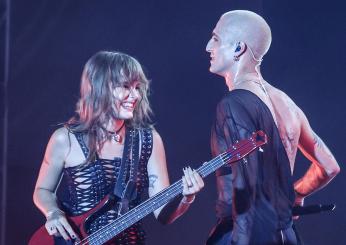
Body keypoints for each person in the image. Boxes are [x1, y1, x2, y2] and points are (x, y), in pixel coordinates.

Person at [33, 51, 204, 244]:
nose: (136, 95)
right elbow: (42, 189)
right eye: (125, 86)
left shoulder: (149, 140)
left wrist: (186, 199)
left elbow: (162, 215)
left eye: (138, 87)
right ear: (99, 88)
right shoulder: (65, 139)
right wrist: (53, 212)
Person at [205, 10, 340, 245]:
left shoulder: (233, 103)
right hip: (286, 234)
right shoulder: (286, 103)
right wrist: (293, 195)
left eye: (216, 39)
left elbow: (248, 191)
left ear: (238, 48)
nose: (208, 46)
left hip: (244, 235)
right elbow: (329, 167)